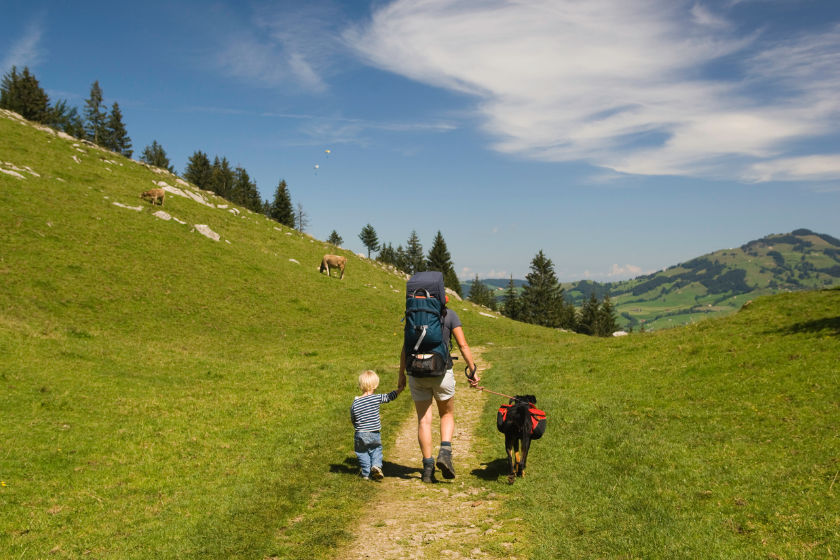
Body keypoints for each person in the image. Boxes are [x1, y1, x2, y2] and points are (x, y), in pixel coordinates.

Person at [398, 299, 480, 483]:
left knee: (424, 421)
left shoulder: (413, 316)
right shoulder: (449, 315)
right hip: (441, 373)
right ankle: (445, 452)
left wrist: (401, 375)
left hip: (416, 372)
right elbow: (463, 345)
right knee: (446, 414)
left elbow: (405, 348)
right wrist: (472, 370)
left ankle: (428, 468)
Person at [351, 370, 404, 480]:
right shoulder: (376, 398)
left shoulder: (356, 402)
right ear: (376, 385)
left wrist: (356, 426)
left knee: (362, 452)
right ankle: (376, 466)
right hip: (374, 432)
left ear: (361, 386)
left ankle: (366, 473)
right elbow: (390, 397)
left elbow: (353, 416)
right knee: (376, 450)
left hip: (360, 433)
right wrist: (400, 390)